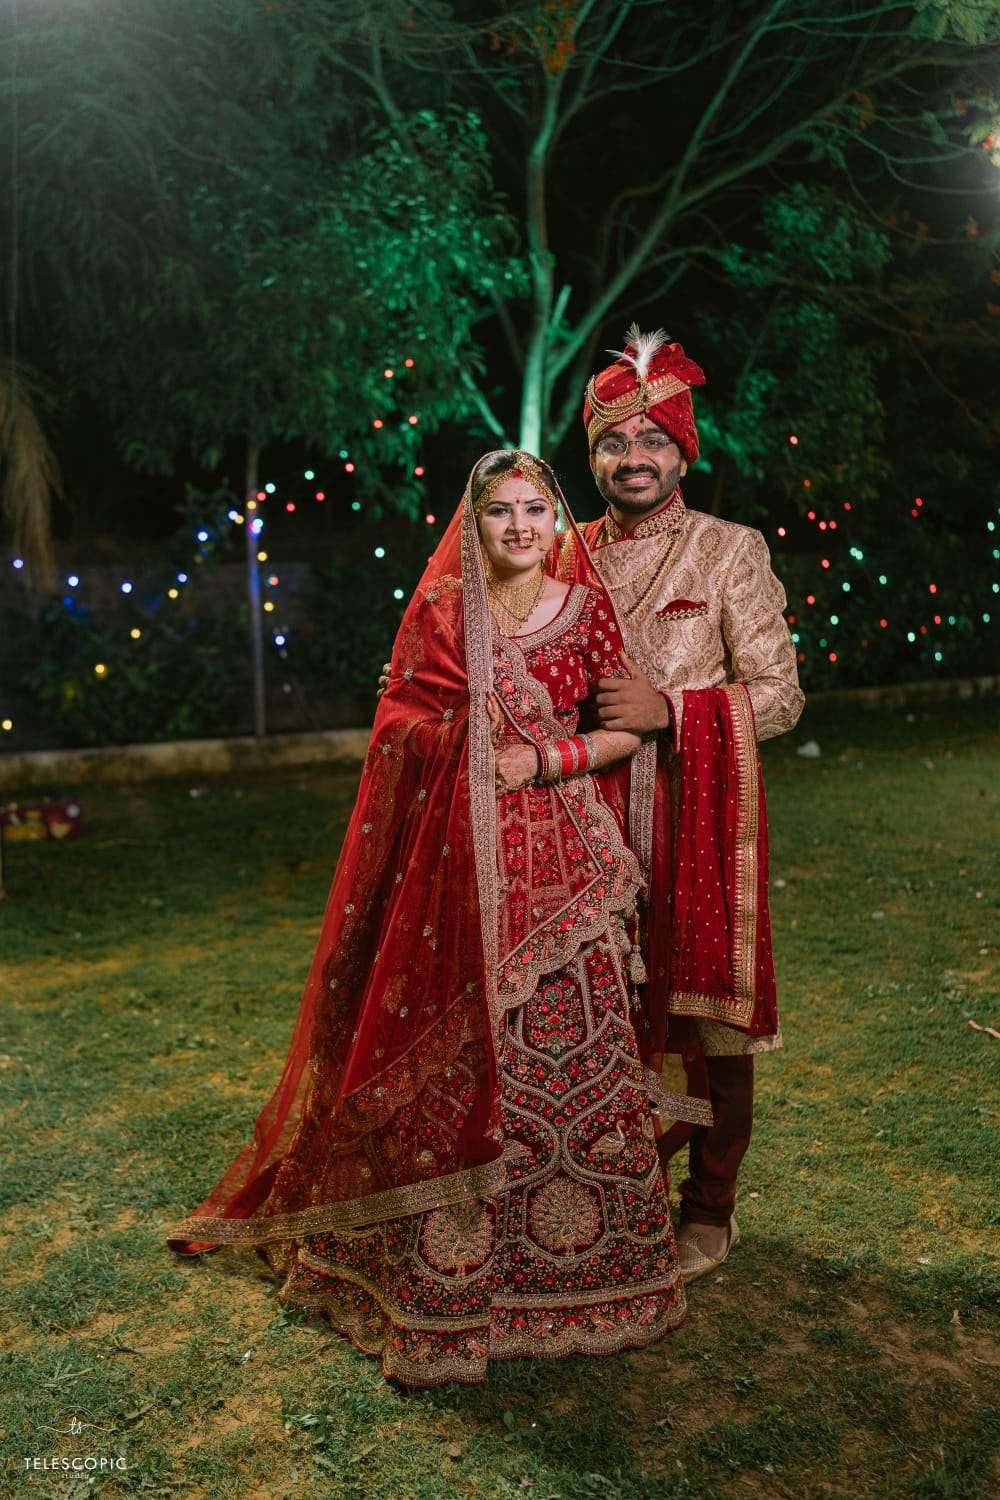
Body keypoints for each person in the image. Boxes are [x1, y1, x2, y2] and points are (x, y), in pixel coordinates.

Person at [167, 449, 708, 1388]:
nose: (519, 527)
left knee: (574, 1044)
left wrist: (543, 760)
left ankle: (597, 1272)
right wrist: (457, 741)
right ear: (475, 523)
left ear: (555, 519)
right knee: (457, 1054)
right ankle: (443, 1276)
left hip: (569, 870)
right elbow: (398, 723)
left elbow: (626, 725)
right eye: (500, 512)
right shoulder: (444, 615)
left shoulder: (586, 612)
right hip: (455, 866)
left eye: (534, 509)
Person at [567, 324, 805, 1282]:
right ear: (593, 458)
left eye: (654, 440)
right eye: (614, 442)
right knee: (586, 1008)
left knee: (708, 1017)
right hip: (578, 827)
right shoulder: (561, 554)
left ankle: (709, 1207)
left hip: (693, 825)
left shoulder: (728, 550)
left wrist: (672, 710)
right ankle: (597, 1196)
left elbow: (780, 696)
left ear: (683, 451)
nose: (634, 457)